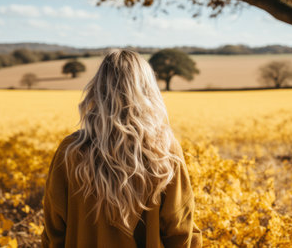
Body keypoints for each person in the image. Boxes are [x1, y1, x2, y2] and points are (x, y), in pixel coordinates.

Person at [41, 49, 202, 248]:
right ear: (148, 91)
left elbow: (54, 229)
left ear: (97, 91)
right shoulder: (165, 150)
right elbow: (179, 230)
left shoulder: (71, 150)